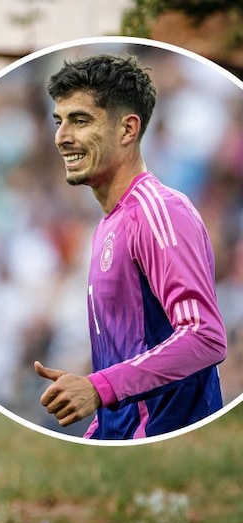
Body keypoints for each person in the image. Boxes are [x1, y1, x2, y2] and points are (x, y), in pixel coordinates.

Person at [34, 54, 228, 440]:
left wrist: (98, 387)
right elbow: (126, 371)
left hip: (173, 448)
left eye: (80, 120)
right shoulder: (110, 224)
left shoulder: (161, 213)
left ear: (127, 129)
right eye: (60, 121)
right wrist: (99, 429)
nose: (62, 137)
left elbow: (204, 336)